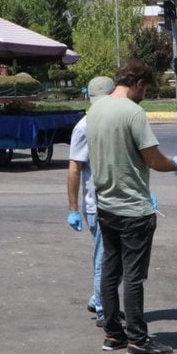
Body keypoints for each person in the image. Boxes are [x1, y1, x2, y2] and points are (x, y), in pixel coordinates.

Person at [86, 58, 177, 354]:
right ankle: (137, 340)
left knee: (110, 270)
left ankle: (112, 335)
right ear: (139, 84)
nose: (146, 95)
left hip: (105, 205)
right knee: (133, 276)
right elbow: (154, 160)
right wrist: (176, 164)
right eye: (147, 89)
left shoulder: (95, 110)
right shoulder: (134, 113)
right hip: (133, 210)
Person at [66, 76, 116, 328]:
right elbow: (74, 169)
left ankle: (98, 298)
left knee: (109, 255)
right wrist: (73, 209)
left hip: (113, 201)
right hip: (96, 204)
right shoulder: (84, 127)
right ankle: (102, 309)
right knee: (105, 257)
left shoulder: (111, 122)